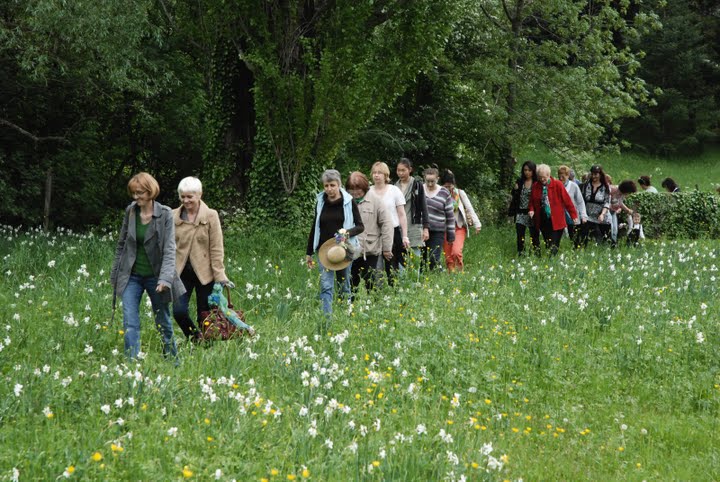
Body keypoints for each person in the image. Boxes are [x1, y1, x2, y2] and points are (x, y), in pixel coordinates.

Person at [110, 172, 185, 360]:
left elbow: (169, 249)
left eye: (140, 193)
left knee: (163, 320)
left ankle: (172, 360)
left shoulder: (165, 213)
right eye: (134, 193)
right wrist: (115, 274)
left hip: (156, 276)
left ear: (150, 192)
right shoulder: (131, 211)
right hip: (131, 275)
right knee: (130, 320)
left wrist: (165, 279)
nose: (136, 197)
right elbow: (122, 244)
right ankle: (131, 362)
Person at [172, 177, 252, 341]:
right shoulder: (173, 216)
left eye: (190, 197)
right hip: (181, 273)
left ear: (199, 194)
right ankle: (195, 338)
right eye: (183, 196)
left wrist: (220, 275)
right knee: (178, 311)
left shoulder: (211, 215)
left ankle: (207, 345)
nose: (186, 200)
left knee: (205, 315)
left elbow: (216, 247)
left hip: (205, 273)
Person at [306, 169, 364, 314]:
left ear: (338, 184)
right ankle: (327, 319)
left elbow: (360, 226)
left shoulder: (349, 202)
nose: (329, 189)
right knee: (326, 286)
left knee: (344, 285)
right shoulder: (320, 202)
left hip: (342, 249)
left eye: (332, 185)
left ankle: (346, 316)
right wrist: (309, 252)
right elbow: (315, 226)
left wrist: (346, 233)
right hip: (324, 251)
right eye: (326, 186)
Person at [345, 172, 393, 292]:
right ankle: (349, 307)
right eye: (351, 190)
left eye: (358, 190)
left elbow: (386, 224)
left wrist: (386, 248)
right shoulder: (345, 201)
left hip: (370, 249)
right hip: (349, 249)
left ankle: (373, 307)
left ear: (365, 187)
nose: (355, 193)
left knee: (371, 283)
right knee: (350, 283)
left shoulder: (376, 201)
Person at [369, 161, 409, 285]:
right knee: (376, 268)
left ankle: (395, 293)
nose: (376, 175)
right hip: (374, 234)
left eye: (379, 173)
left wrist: (405, 236)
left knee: (393, 268)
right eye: (374, 173)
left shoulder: (394, 190)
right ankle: (377, 294)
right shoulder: (368, 191)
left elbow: (402, 215)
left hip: (392, 232)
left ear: (386, 175)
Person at [528, 164, 578, 256]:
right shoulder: (535, 186)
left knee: (554, 244)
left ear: (548, 175)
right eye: (539, 177)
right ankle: (550, 259)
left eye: (543, 177)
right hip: (543, 220)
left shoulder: (557, 185)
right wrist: (531, 210)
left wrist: (573, 215)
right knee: (548, 243)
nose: (541, 179)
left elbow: (567, 201)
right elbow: (531, 201)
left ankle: (552, 259)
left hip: (557, 220)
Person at [440, 169, 481, 272]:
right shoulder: (439, 194)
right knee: (448, 256)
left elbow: (469, 208)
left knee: (456, 252)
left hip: (459, 227)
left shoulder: (460, 193)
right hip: (444, 228)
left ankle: (460, 272)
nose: (448, 189)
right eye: (445, 186)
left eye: (450, 186)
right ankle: (452, 277)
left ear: (453, 185)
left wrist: (477, 224)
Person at [395, 158, 429, 270]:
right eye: (398, 170)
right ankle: (402, 283)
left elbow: (424, 206)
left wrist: (425, 228)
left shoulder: (417, 185)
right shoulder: (394, 186)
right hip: (398, 225)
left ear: (410, 170)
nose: (400, 173)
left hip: (414, 224)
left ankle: (415, 282)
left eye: (403, 170)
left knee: (415, 256)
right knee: (400, 255)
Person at [422, 165, 455, 271]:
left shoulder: (444, 193)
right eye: (428, 181)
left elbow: (450, 216)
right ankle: (422, 282)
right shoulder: (420, 190)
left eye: (432, 181)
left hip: (438, 231)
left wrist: (451, 235)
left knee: (433, 257)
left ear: (437, 179)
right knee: (421, 259)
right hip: (421, 230)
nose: (430, 184)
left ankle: (438, 273)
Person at [509, 161, 538, 256]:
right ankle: (521, 253)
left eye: (529, 170)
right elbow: (514, 195)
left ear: (533, 171)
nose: (527, 172)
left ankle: (536, 253)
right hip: (520, 212)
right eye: (525, 170)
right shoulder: (520, 181)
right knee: (520, 235)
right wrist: (516, 189)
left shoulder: (537, 182)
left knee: (534, 235)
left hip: (532, 213)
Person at [579, 164, 611, 246]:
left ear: (600, 174)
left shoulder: (606, 187)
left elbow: (607, 202)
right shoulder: (586, 185)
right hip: (588, 215)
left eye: (596, 174)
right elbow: (581, 199)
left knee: (603, 238)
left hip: (600, 216)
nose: (594, 176)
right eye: (592, 174)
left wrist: (602, 214)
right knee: (583, 237)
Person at [557, 165, 587, 249]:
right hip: (560, 216)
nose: (561, 177)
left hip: (572, 216)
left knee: (574, 238)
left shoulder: (573, 186)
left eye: (564, 175)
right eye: (559, 174)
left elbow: (580, 202)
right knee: (557, 237)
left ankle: (577, 253)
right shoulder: (556, 185)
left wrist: (583, 215)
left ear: (568, 175)